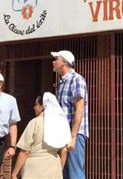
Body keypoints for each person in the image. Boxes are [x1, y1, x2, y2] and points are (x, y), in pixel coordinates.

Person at [11, 92, 71, 179]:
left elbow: (25, 151)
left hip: (34, 169)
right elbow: (64, 151)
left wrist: (14, 173)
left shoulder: (35, 122)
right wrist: (59, 169)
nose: (34, 107)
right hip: (54, 167)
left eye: (36, 104)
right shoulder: (61, 124)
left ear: (42, 106)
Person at [51, 50, 89, 179]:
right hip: (63, 134)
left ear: (64, 62)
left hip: (74, 134)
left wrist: (73, 137)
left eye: (56, 59)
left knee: (75, 171)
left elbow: (79, 108)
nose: (53, 61)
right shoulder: (62, 82)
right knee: (65, 172)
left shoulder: (76, 79)